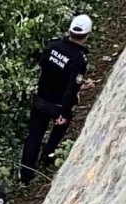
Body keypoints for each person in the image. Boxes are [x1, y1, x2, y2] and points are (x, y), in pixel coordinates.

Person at [19, 15, 94, 184]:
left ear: (69, 30)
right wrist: (64, 112)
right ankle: (48, 153)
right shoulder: (78, 59)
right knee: (60, 127)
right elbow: (70, 90)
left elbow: (46, 68)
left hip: (41, 99)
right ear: (87, 35)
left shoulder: (51, 45)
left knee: (33, 137)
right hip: (58, 104)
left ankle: (25, 174)